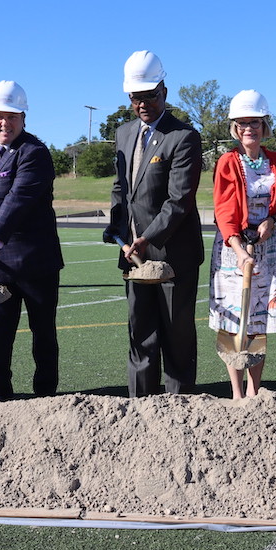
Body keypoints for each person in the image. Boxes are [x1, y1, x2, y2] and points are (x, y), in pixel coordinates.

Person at [104, 50, 204, 397]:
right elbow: (122, 188)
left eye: (150, 95)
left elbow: (178, 201)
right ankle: (139, 413)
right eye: (136, 97)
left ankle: (180, 415)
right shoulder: (124, 134)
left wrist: (145, 238)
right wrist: (116, 224)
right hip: (134, 258)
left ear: (164, 90)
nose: (143, 103)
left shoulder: (184, 137)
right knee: (140, 337)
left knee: (176, 340)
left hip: (172, 255)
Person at [0, 81, 64, 401]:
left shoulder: (34, 153)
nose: (4, 123)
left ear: (23, 117)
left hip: (35, 263)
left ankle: (45, 397)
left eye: (12, 116)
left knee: (43, 334)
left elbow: (18, 202)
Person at [210, 90, 276, 399]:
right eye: (242, 123)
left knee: (258, 323)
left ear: (264, 125)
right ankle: (236, 393)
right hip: (233, 249)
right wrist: (239, 249)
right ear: (234, 128)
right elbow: (223, 210)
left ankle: (254, 391)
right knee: (235, 323)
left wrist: (272, 222)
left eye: (255, 122)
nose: (249, 128)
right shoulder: (227, 162)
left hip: (267, 250)